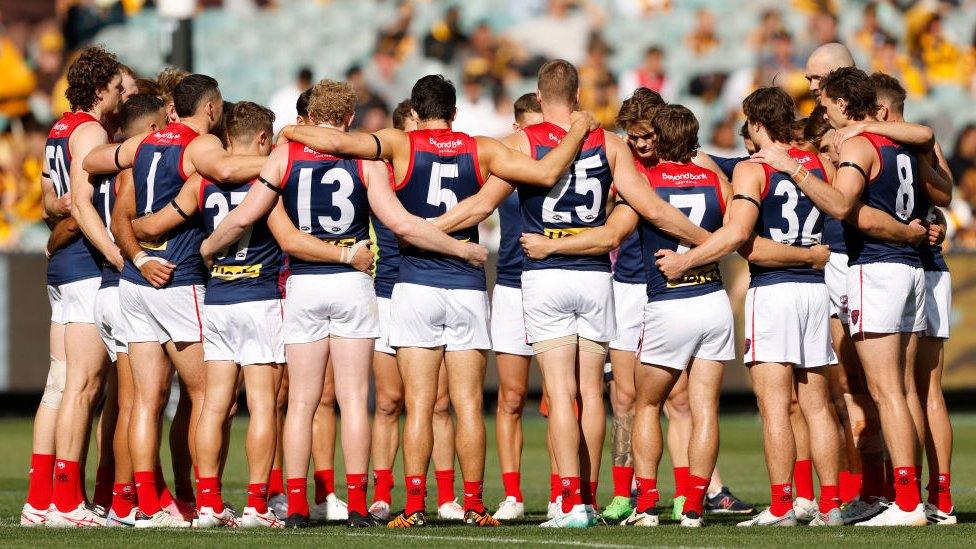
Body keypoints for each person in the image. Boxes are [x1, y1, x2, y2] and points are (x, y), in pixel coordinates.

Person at [278, 73, 597, 528]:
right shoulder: (480, 147)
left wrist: (291, 130)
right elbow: (546, 172)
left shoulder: (399, 143)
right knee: (466, 404)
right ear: (454, 112)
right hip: (466, 286)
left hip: (414, 283)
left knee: (420, 404)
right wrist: (580, 130)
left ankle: (412, 505)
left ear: (416, 111)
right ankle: (472, 503)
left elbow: (339, 145)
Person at [429, 61, 717, 528]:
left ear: (540, 100)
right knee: (591, 394)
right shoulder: (610, 143)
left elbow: (481, 205)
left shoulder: (522, 142)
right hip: (597, 278)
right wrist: (708, 243)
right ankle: (587, 493)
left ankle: (570, 502)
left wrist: (424, 229)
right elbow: (652, 208)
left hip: (546, 274)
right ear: (579, 97)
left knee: (560, 393)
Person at [748, 67, 951, 526]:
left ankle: (905, 502)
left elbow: (841, 206)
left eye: (826, 103)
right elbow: (927, 144)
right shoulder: (898, 140)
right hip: (910, 270)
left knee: (887, 392)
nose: (822, 109)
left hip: (877, 268)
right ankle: (905, 496)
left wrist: (794, 168)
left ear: (842, 103)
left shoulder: (860, 144)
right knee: (899, 390)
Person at [87, 73, 267, 528]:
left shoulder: (143, 144)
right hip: (179, 281)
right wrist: (286, 160)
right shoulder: (197, 145)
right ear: (209, 108)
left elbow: (93, 162)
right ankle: (205, 501)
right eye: (219, 105)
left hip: (137, 282)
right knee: (212, 398)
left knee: (145, 401)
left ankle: (147, 506)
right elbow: (226, 171)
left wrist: (139, 257)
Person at [128, 102, 287, 528]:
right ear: (259, 140)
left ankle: (209, 504)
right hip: (259, 297)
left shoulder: (200, 183)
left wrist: (138, 237)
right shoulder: (270, 177)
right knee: (262, 405)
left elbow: (154, 224)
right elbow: (288, 236)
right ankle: (257, 506)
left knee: (213, 405)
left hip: (217, 300)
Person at [39, 46, 123, 529]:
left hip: (63, 268)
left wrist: (66, 206)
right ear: (98, 89)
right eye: (116, 88)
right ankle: (68, 502)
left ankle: (40, 497)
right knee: (83, 387)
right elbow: (79, 203)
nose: (120, 95)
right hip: (87, 264)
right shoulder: (91, 130)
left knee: (60, 385)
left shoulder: (59, 127)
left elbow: (53, 198)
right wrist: (111, 248)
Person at [368, 99, 463, 522]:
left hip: (423, 285)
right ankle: (383, 490)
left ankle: (445, 495)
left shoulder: (426, 166)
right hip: (386, 292)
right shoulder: (377, 172)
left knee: (439, 402)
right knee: (389, 401)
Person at [870, 72, 956, 525]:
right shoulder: (917, 141)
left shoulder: (889, 141)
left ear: (880, 110)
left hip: (910, 266)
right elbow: (944, 192)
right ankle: (934, 498)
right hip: (921, 270)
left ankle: (924, 497)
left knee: (913, 389)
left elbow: (942, 195)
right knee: (919, 391)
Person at [491, 93, 543, 521]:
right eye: (529, 128)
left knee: (572, 395)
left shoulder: (563, 159)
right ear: (515, 129)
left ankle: (573, 490)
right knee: (511, 396)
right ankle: (512, 494)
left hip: (556, 279)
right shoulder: (500, 158)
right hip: (511, 285)